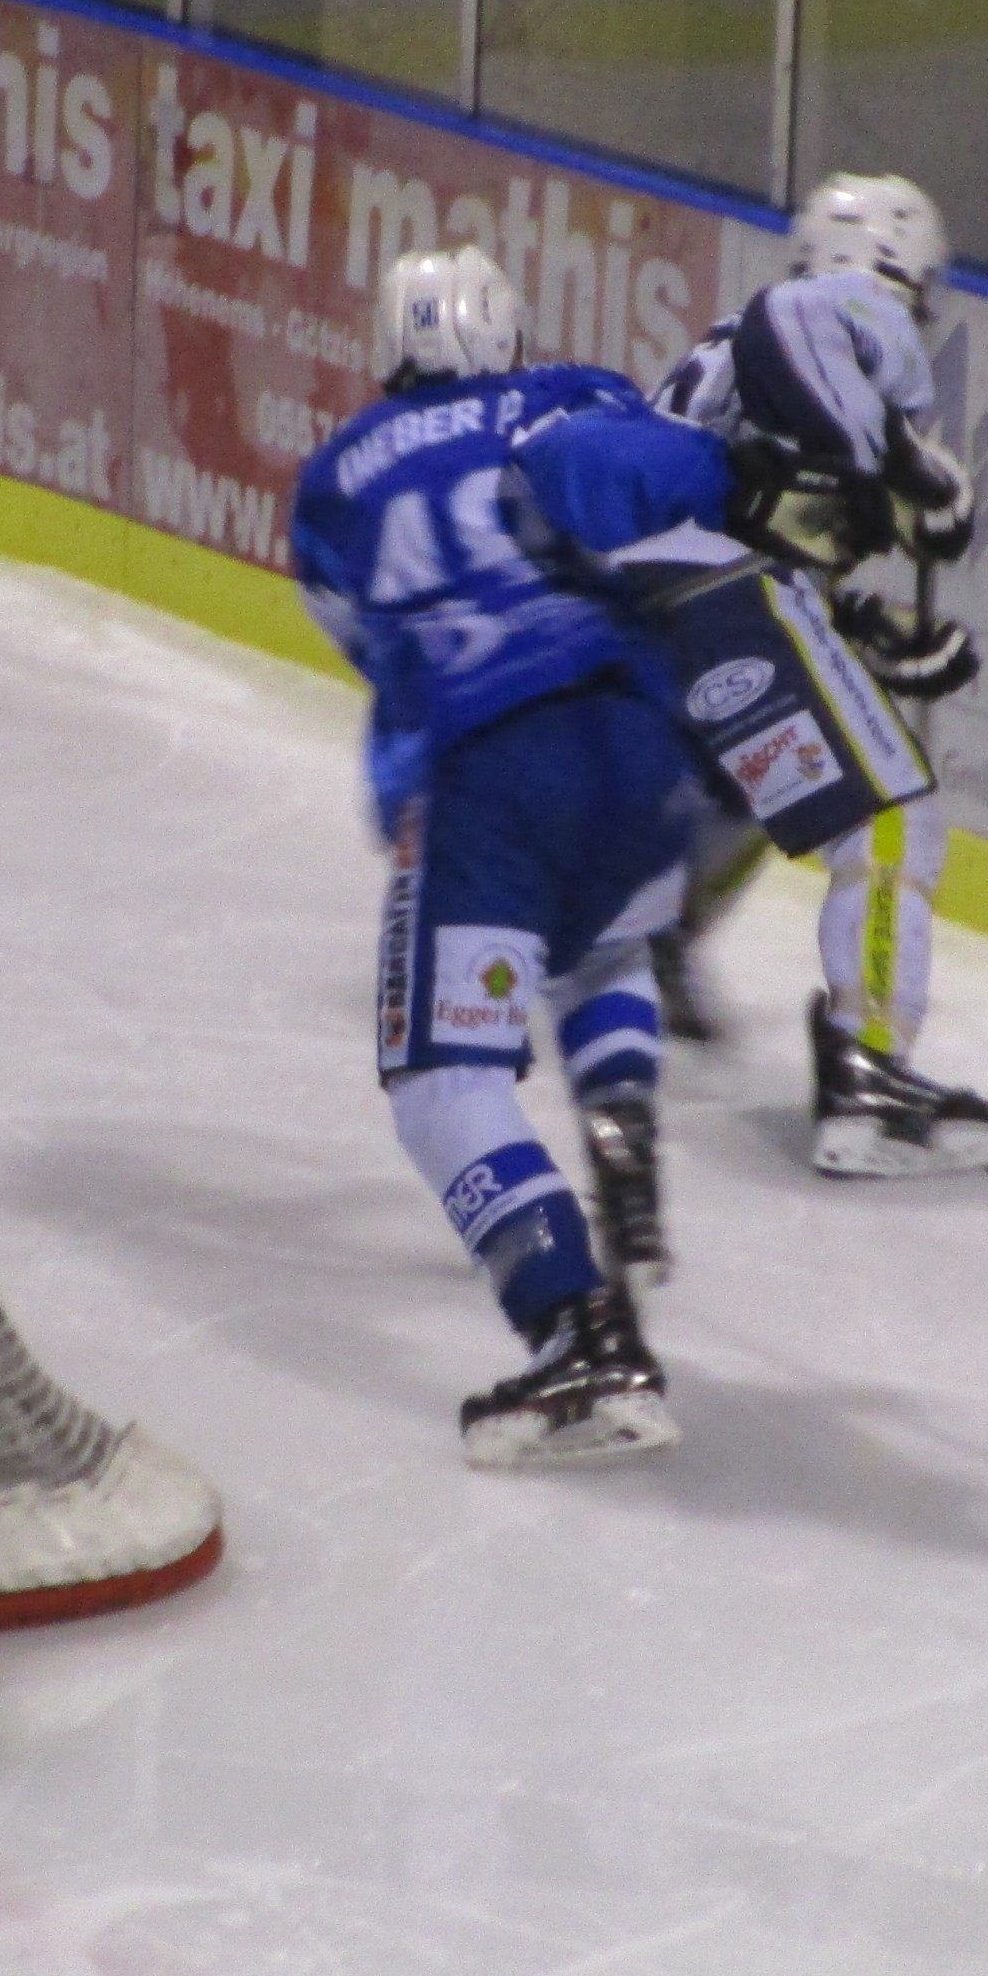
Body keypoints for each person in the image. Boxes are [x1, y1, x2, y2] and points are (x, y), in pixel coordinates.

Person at [291, 245, 693, 1468]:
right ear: (511, 339)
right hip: (639, 742)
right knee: (605, 936)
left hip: (493, 761)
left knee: (444, 1083)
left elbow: (373, 643)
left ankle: (578, 1331)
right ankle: (622, 1123)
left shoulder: (336, 477)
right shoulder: (588, 395)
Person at [640, 172, 988, 1177]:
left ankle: (652, 930)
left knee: (765, 780)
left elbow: (749, 514)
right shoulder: (844, 308)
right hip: (718, 609)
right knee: (889, 814)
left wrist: (858, 629)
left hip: (652, 627)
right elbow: (802, 333)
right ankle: (870, 1072)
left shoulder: (720, 347)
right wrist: (910, 463)